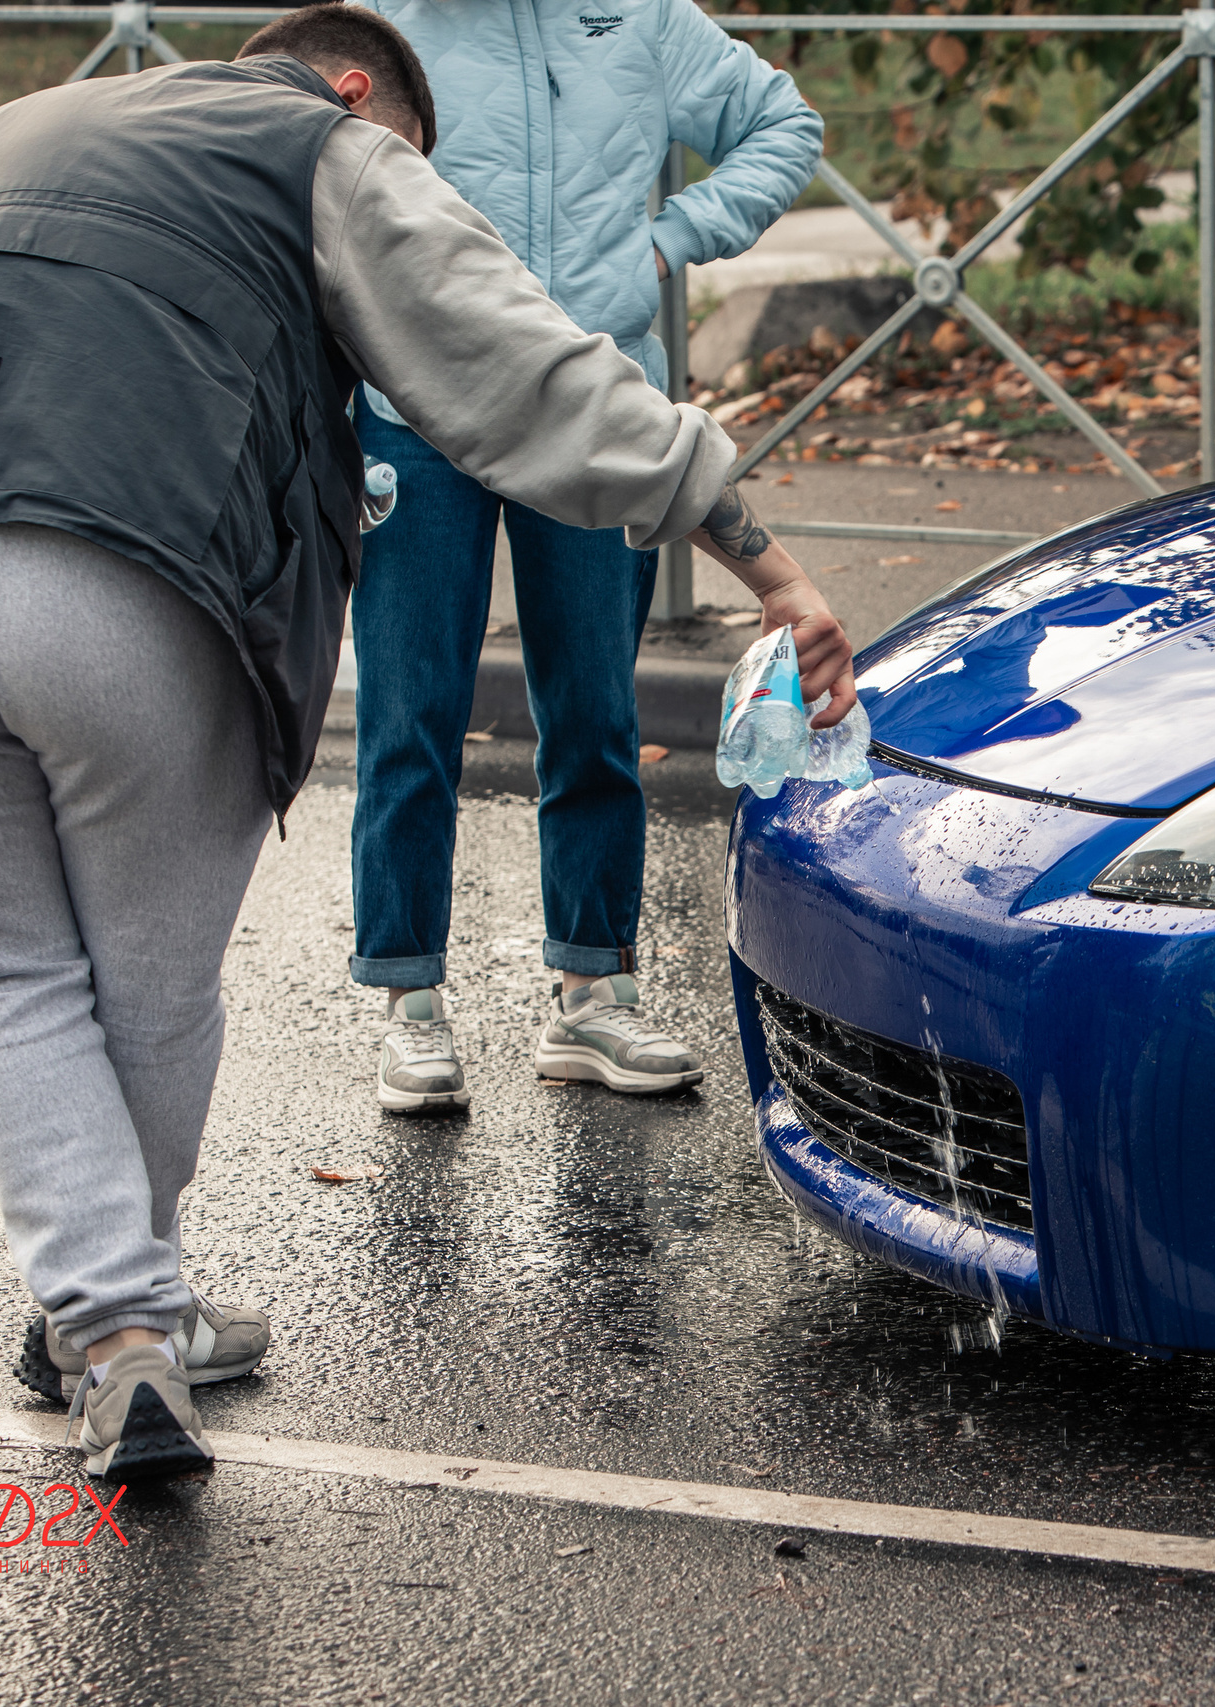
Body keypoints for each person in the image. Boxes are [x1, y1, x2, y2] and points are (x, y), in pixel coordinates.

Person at [0, 4, 852, 1483]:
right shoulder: (330, 145)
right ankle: (129, 1328)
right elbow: (534, 374)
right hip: (128, 563)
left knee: (3, 979)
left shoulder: (18, 127)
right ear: (350, 91)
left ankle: (110, 1316)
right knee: (145, 974)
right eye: (417, 165)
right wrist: (767, 561)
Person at [351, 0, 822, 1109]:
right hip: (416, 402)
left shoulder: (640, 17)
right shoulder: (387, 20)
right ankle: (410, 1003)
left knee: (596, 711)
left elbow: (782, 125)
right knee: (409, 713)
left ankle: (594, 995)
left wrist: (667, 236)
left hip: (596, 401)